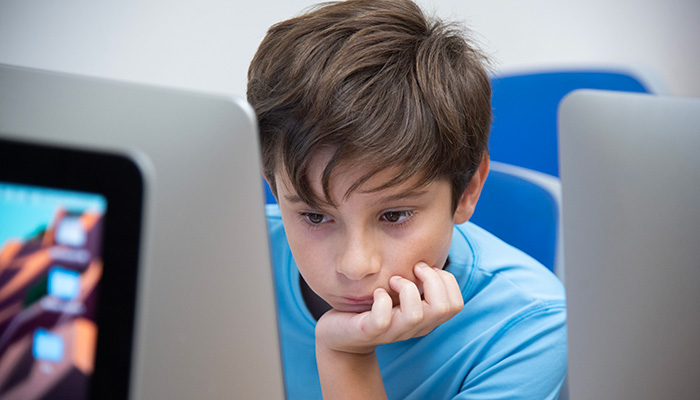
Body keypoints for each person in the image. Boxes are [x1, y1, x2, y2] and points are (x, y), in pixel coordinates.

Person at [246, 0, 567, 398]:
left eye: (394, 215)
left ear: (468, 191)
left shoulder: (528, 327)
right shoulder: (228, 261)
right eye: (314, 216)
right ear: (273, 186)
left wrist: (345, 354)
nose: (355, 265)